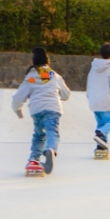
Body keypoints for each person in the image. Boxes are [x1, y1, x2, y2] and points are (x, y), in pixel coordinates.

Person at [12, 46, 71, 175]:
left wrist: (18, 111)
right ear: (48, 63)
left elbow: (18, 98)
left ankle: (34, 159)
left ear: (33, 63)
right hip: (53, 108)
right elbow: (66, 94)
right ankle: (50, 149)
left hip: (37, 110)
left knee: (39, 135)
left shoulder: (30, 78)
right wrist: (55, 94)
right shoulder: (54, 76)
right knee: (52, 131)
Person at [86, 42, 110, 151]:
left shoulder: (93, 68)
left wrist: (90, 97)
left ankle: (100, 147)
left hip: (94, 101)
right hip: (106, 101)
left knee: (101, 123)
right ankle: (101, 134)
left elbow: (89, 83)